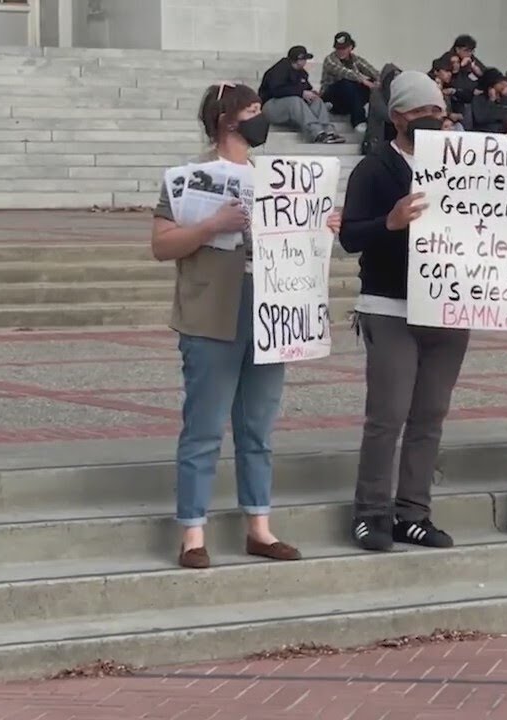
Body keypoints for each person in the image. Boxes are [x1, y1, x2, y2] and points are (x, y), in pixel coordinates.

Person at [150, 82, 342, 570]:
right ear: (227, 119)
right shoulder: (189, 178)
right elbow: (162, 245)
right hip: (211, 312)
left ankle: (259, 525)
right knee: (204, 427)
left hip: (271, 309)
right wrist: (211, 225)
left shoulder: (276, 176)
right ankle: (193, 531)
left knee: (257, 427)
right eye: (253, 110)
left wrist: (320, 225)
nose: (262, 119)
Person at [338, 71, 471, 552]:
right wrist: (389, 223)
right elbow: (350, 236)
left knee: (429, 415)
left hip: (449, 306)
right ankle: (371, 512)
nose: (432, 120)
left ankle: (413, 511)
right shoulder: (374, 170)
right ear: (397, 118)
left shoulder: (464, 167)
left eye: (438, 111)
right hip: (389, 305)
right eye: (421, 114)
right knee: (388, 415)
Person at [260, 45, 344, 144]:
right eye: (304, 59)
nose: (305, 62)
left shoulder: (302, 73)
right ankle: (317, 133)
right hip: (271, 107)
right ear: (297, 60)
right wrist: (301, 93)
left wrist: (312, 94)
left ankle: (329, 132)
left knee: (315, 100)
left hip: (292, 110)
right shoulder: (279, 70)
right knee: (295, 100)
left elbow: (306, 90)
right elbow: (276, 91)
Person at [321, 31, 380, 133]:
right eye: (338, 48)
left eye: (343, 48)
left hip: (350, 98)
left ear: (351, 47)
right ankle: (358, 121)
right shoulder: (330, 60)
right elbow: (344, 72)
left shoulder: (355, 59)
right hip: (333, 96)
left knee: (373, 85)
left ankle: (377, 120)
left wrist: (378, 81)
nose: (341, 51)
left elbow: (370, 70)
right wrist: (363, 81)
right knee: (347, 83)